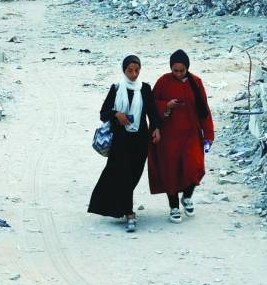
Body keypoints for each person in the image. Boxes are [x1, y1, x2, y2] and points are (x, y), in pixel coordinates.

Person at [88, 55, 162, 233]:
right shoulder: (116, 88)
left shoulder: (145, 89)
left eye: (137, 70)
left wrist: (157, 129)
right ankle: (129, 213)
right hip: (120, 140)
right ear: (124, 70)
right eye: (130, 70)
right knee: (124, 175)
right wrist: (116, 114)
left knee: (134, 175)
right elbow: (103, 113)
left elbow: (152, 112)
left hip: (140, 140)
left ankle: (121, 206)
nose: (134, 74)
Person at [148, 49, 215, 224]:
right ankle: (174, 207)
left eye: (181, 71)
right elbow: (152, 105)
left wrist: (208, 135)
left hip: (191, 134)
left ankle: (187, 196)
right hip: (169, 136)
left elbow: (204, 110)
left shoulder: (196, 82)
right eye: (175, 71)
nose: (178, 74)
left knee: (195, 167)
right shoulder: (163, 81)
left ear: (187, 68)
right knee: (170, 171)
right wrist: (167, 106)